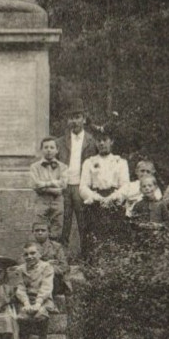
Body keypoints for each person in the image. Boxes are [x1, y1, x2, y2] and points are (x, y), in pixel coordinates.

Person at [79, 129, 130, 253]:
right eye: (99, 140)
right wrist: (97, 198)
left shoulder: (120, 162)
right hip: (95, 202)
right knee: (94, 237)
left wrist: (113, 197)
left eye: (105, 140)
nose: (101, 143)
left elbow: (125, 185)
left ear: (111, 141)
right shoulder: (89, 162)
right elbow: (83, 187)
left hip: (115, 201)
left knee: (116, 236)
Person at [56, 102, 97, 251]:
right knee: (63, 223)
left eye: (78, 117)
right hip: (65, 187)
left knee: (83, 223)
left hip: (82, 187)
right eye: (71, 118)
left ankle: (86, 256)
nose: (74, 121)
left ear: (84, 119)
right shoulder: (59, 142)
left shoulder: (92, 141)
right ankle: (62, 256)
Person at [15, 242, 56, 339]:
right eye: (26, 254)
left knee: (41, 315)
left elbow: (46, 287)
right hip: (26, 300)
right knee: (23, 316)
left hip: (43, 299)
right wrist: (26, 303)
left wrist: (38, 303)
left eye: (33, 253)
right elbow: (20, 288)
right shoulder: (20, 269)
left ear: (40, 254)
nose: (29, 256)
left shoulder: (47, 267)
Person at [29, 137, 68, 240]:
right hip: (41, 200)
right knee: (39, 228)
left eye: (52, 147)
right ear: (41, 150)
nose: (49, 150)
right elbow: (35, 184)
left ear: (57, 150)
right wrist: (53, 185)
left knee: (57, 228)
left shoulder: (63, 167)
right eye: (46, 147)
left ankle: (54, 249)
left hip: (57, 201)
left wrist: (44, 185)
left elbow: (63, 184)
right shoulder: (34, 167)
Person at [31, 221, 75, 297]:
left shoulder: (56, 247)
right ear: (33, 232)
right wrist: (45, 264)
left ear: (49, 232)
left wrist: (50, 268)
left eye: (43, 230)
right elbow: (23, 265)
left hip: (54, 280)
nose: (40, 233)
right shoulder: (29, 248)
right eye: (37, 230)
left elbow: (64, 267)